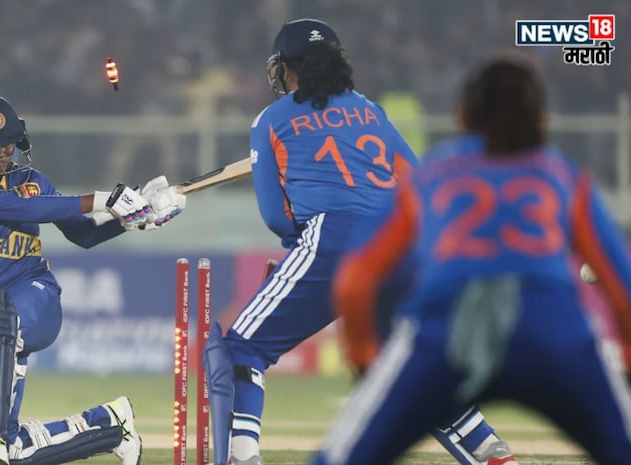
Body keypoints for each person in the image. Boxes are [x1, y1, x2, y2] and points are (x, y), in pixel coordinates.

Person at [203, 18, 516, 465]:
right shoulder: (369, 110)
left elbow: (275, 215)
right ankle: (486, 447)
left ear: (286, 68)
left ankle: (242, 455)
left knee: (241, 348)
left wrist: (304, 250)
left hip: (332, 237)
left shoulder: (271, 119)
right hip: (399, 241)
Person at [316, 55, 631, 465]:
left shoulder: (430, 175)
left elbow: (355, 280)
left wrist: (363, 358)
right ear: (542, 119)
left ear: (462, 114)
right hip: (552, 331)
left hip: (446, 332)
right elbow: (623, 287)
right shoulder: (566, 178)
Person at [0, 94, 186, 465]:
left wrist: (138, 214)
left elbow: (83, 233)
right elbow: (23, 209)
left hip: (33, 296)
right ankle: (109, 425)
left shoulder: (32, 181)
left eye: (8, 146)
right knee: (3, 451)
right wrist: (104, 199)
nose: (3, 155)